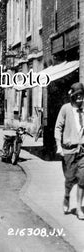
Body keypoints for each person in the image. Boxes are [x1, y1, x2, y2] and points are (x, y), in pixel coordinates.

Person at [55, 82, 84, 220]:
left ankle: (79, 208)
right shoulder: (65, 109)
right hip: (68, 151)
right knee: (70, 179)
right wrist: (59, 146)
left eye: (82, 96)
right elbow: (58, 127)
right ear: (72, 96)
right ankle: (67, 196)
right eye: (77, 96)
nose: (80, 98)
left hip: (82, 150)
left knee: (83, 179)